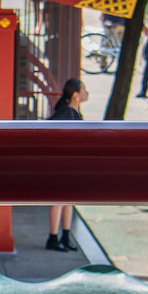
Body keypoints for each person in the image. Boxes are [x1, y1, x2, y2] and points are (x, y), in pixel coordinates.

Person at [46, 78, 85, 252]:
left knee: (68, 201)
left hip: (71, 164)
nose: (86, 93)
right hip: (61, 164)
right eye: (83, 89)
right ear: (76, 94)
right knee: (59, 201)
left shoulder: (73, 112)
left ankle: (66, 236)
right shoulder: (66, 113)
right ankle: (53, 237)